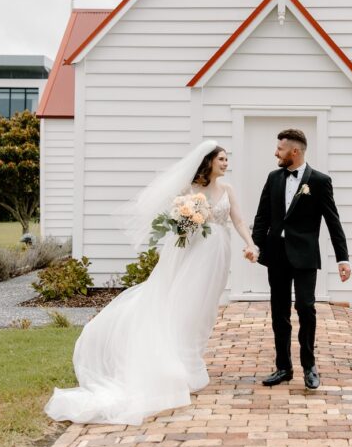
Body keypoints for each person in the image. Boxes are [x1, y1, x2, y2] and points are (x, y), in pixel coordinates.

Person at [45, 141, 258, 425]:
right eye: (221, 159)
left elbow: (239, 221)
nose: (225, 163)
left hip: (219, 255)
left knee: (205, 311)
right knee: (185, 307)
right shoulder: (188, 192)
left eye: (226, 159)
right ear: (207, 162)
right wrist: (189, 221)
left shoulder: (228, 190)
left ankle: (192, 361)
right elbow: (179, 233)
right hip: (195, 256)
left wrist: (250, 244)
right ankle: (179, 367)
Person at [247, 129, 351, 390]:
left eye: (280, 149)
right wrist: (255, 246)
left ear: (295, 151)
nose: (275, 153)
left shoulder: (319, 181)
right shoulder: (273, 178)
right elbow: (262, 216)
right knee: (279, 312)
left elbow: (333, 220)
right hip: (276, 255)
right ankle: (283, 367)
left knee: (306, 308)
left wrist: (343, 259)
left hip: (305, 256)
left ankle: (309, 366)